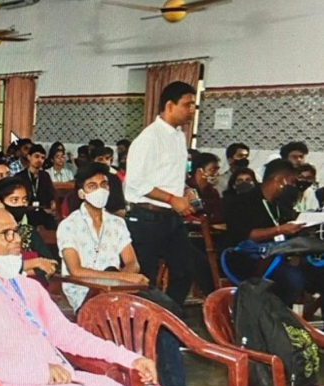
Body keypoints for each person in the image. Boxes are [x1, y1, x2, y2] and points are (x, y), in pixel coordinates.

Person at [0, 207, 158, 386]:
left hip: (62, 381)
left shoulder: (29, 287)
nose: (17, 239)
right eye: (7, 233)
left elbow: (68, 334)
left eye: (16, 231)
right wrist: (39, 372)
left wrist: (131, 359)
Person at [124, 81, 210, 306]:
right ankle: (144, 326)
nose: (192, 110)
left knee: (185, 270)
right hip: (146, 218)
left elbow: (169, 176)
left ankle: (168, 317)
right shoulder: (148, 139)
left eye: (194, 105)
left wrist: (185, 191)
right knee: (145, 279)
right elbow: (136, 183)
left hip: (171, 218)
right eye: (187, 104)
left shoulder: (179, 136)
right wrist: (172, 198)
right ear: (170, 105)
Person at [222, 159, 324, 305]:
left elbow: (290, 224)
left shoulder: (280, 204)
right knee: (293, 280)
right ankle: (277, 320)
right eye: (292, 182)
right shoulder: (242, 202)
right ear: (280, 180)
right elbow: (246, 235)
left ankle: (304, 320)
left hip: (279, 256)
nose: (294, 186)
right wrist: (280, 229)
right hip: (250, 259)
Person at [58, 163, 147, 310]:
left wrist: (119, 282)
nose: (100, 190)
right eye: (92, 186)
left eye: (104, 185)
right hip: (85, 292)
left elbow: (132, 263)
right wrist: (120, 278)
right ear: (82, 193)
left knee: (157, 308)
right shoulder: (69, 225)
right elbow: (76, 271)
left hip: (115, 290)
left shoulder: (117, 223)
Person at [0, 177, 57, 285]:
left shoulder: (28, 231)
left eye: (24, 200)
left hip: (31, 290)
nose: (21, 204)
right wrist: (35, 263)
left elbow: (51, 264)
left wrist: (19, 271)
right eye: (14, 200)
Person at [15, 144, 55, 211]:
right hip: (26, 211)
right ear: (29, 157)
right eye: (37, 156)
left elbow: (51, 196)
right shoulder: (19, 176)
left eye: (42, 158)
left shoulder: (45, 176)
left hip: (43, 211)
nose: (40, 160)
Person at [187, 152, 223, 223]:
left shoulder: (213, 192)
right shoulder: (186, 189)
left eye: (217, 170)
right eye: (212, 170)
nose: (217, 174)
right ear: (199, 171)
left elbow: (218, 216)